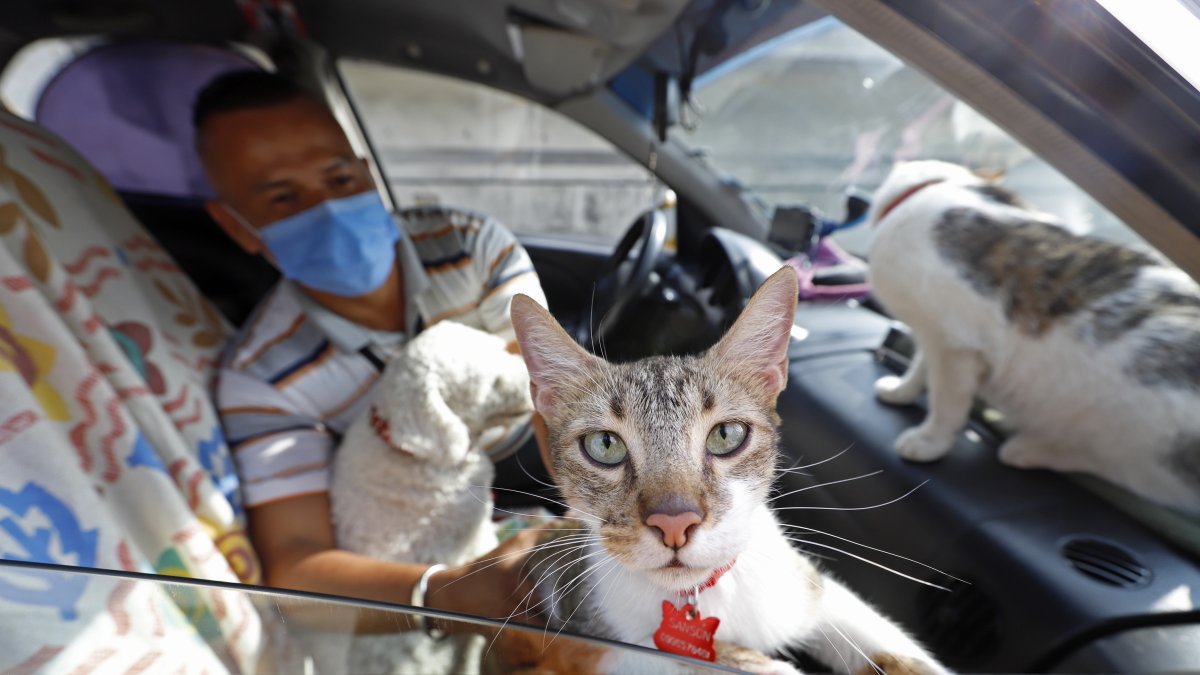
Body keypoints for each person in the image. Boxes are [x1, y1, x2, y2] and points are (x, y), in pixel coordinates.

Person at [193, 69, 552, 622]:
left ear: (368, 175)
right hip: (417, 526)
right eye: (285, 197)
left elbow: (556, 404)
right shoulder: (263, 377)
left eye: (339, 180)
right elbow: (296, 564)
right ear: (238, 227)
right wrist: (453, 591)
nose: (326, 209)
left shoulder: (470, 249)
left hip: (527, 462)